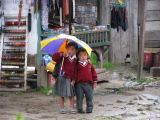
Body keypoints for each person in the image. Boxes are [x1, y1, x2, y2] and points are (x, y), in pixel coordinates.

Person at [52, 41, 78, 114]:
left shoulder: (75, 60)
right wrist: (61, 54)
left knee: (71, 94)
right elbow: (54, 57)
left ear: (76, 51)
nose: (70, 51)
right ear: (66, 49)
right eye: (69, 49)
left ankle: (71, 108)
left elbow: (76, 71)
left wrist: (74, 79)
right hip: (62, 77)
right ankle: (62, 108)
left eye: (72, 49)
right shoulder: (63, 57)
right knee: (61, 94)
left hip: (70, 79)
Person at [72, 48, 98, 114]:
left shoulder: (90, 65)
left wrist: (95, 81)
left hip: (89, 84)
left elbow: (94, 74)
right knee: (79, 97)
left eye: (84, 55)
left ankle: (89, 108)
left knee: (89, 97)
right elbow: (74, 74)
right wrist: (73, 81)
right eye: (81, 55)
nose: (83, 57)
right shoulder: (77, 65)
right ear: (77, 57)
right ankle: (79, 108)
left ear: (87, 56)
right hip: (79, 84)